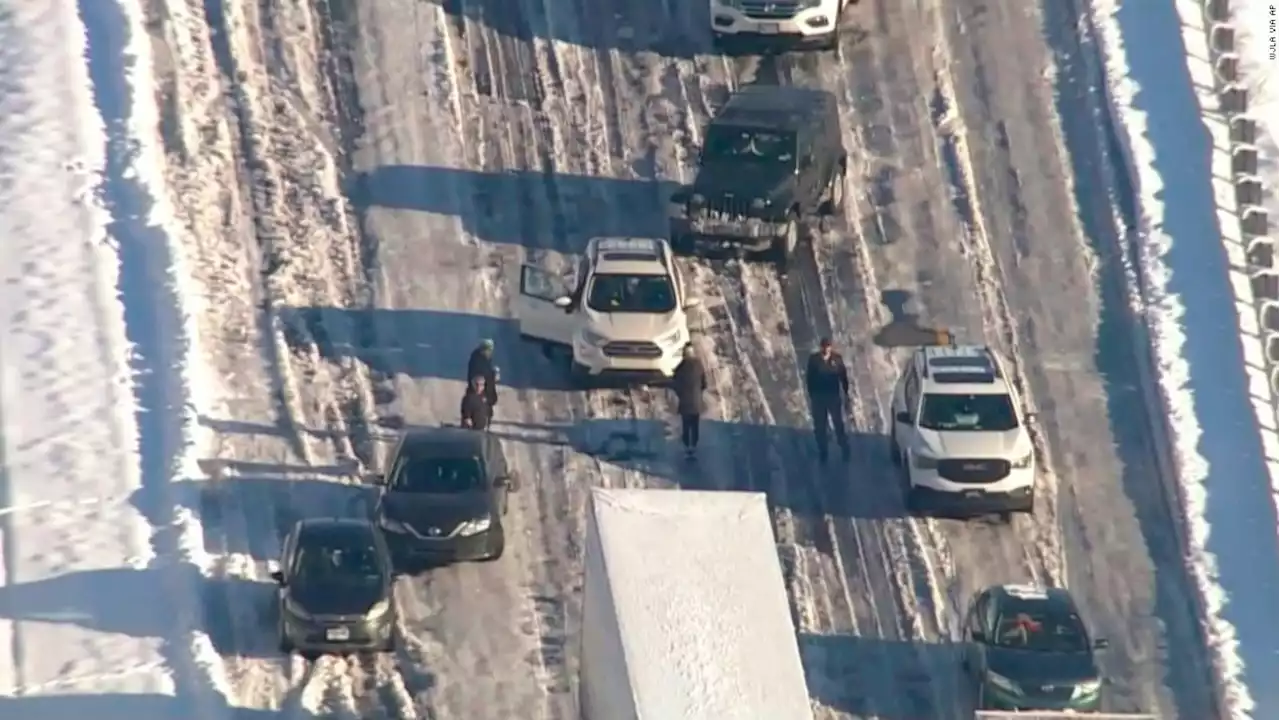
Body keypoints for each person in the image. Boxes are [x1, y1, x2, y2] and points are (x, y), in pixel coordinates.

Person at [805, 337, 851, 463]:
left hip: (833, 396)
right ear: (821, 347)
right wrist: (812, 394)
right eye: (824, 346)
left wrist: (846, 394)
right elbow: (809, 378)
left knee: (838, 424)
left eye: (828, 346)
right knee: (820, 426)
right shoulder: (814, 360)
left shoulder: (837, 359)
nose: (826, 348)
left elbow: (843, 377)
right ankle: (823, 451)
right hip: (819, 397)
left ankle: (844, 447)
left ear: (831, 347)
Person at [671, 344, 708, 458]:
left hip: (685, 403)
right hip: (696, 401)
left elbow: (675, 385)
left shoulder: (680, 369)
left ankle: (687, 446)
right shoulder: (699, 366)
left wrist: (681, 394)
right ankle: (694, 444)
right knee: (694, 424)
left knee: (686, 425)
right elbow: (704, 384)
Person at [466, 339, 499, 408]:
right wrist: (493, 375)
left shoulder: (485, 359)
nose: (490, 353)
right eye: (488, 351)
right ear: (483, 350)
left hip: (485, 397)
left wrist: (493, 373)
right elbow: (480, 377)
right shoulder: (477, 361)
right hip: (480, 398)